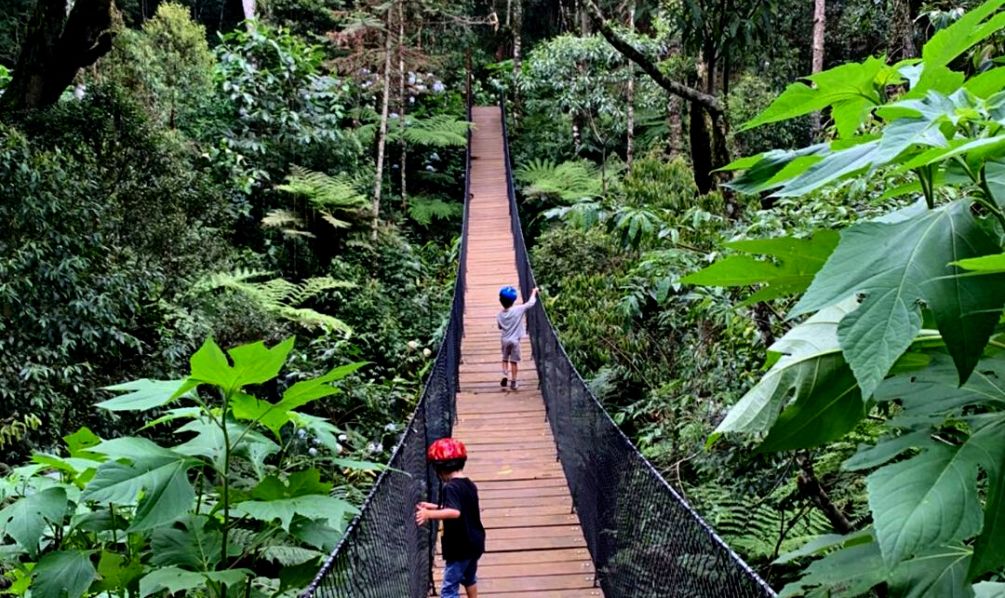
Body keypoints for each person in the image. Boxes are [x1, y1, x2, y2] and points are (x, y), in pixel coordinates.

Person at [416, 438, 485, 598]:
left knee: (448, 589)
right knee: (469, 578)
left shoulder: (450, 487)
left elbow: (454, 512)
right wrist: (433, 507)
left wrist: (428, 515)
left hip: (460, 548)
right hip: (474, 543)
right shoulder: (468, 484)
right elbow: (458, 508)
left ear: (440, 468)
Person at [497, 285, 538, 391]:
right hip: (515, 341)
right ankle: (514, 382)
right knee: (514, 362)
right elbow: (530, 303)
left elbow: (500, 327)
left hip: (505, 340)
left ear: (500, 300)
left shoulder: (500, 315)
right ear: (513, 300)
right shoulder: (518, 310)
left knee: (505, 358)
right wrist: (534, 291)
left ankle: (505, 375)